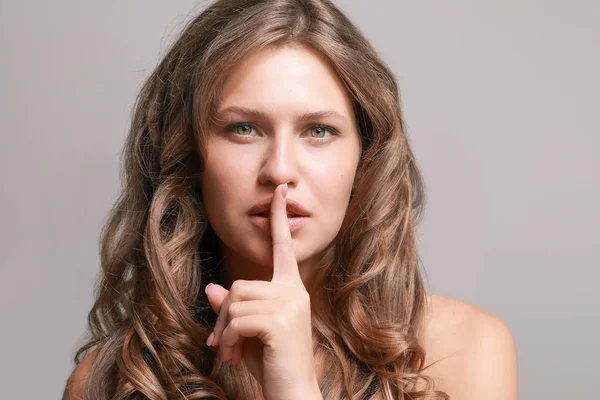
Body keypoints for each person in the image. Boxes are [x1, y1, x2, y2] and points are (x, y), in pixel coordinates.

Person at [63, 0, 518, 399]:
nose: (280, 169)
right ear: (189, 155)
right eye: (243, 128)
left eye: (319, 131)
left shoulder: (464, 350)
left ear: (366, 158)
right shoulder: (110, 384)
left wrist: (297, 391)